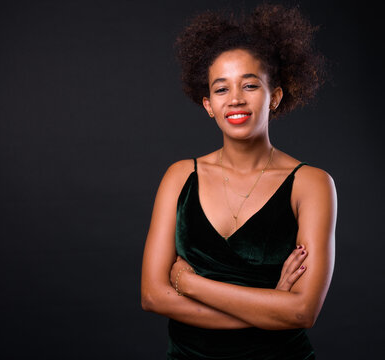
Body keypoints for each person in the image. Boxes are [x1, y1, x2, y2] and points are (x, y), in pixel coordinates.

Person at [140, 4, 336, 359]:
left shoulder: (312, 184)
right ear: (208, 105)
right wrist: (271, 306)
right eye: (221, 89)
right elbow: (153, 296)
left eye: (249, 84)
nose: (235, 99)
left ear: (274, 96)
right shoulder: (180, 176)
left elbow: (302, 312)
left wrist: (190, 283)